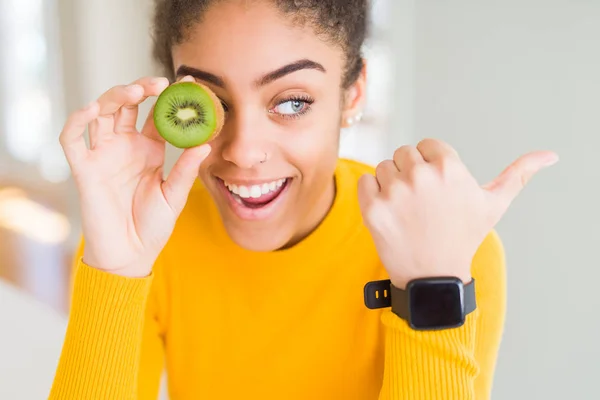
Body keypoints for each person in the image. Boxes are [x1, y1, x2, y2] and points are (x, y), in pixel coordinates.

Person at [48, 0, 557, 399]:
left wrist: (429, 290)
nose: (244, 152)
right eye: (212, 102)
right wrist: (114, 273)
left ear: (352, 95)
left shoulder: (454, 251)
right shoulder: (148, 242)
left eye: (292, 102)